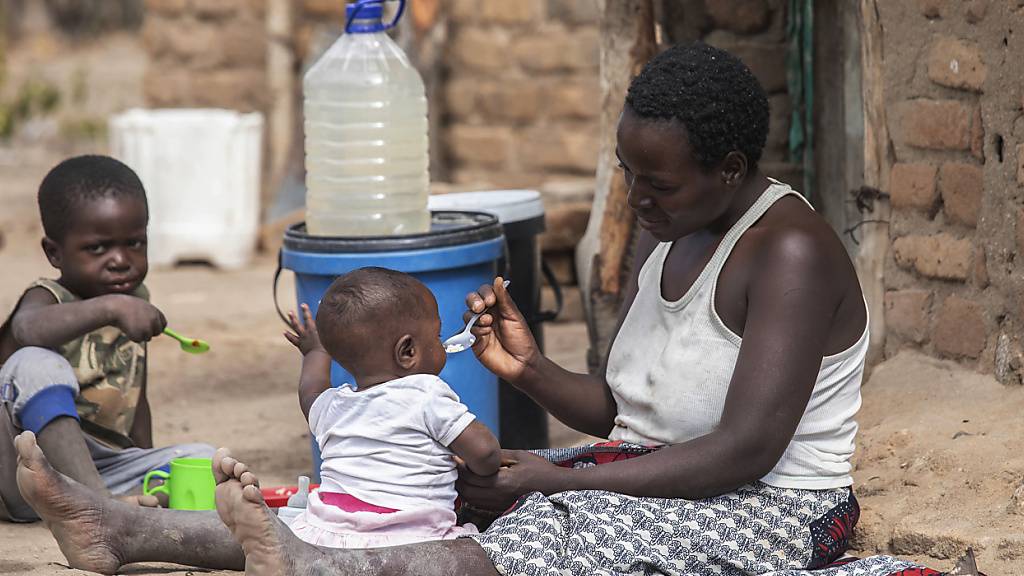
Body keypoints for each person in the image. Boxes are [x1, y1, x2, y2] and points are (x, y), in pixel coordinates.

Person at [13, 44, 948, 576]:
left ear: (731, 172)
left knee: (539, 525)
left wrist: (559, 481)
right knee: (422, 486)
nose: (637, 201)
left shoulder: (789, 249)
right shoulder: (680, 223)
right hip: (665, 469)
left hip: (778, 507)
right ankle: (126, 528)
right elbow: (635, 416)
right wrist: (530, 372)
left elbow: (744, 450)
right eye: (630, 174)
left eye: (654, 182)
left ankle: (308, 566)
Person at [0, 155, 214, 522]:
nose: (120, 259)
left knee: (204, 459)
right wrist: (112, 307)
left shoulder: (134, 303)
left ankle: (101, 501)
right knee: (35, 363)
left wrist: (145, 457)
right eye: (98, 248)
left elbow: (135, 396)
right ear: (54, 252)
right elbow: (25, 330)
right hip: (21, 465)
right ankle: (100, 511)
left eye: (134, 243)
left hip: (94, 468)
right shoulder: (48, 297)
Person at [281, 268, 500, 547]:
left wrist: (315, 351)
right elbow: (486, 454)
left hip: (328, 534)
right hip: (412, 539)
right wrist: (481, 465)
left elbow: (309, 389)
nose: (441, 343)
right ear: (408, 351)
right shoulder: (425, 393)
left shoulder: (331, 406)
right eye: (437, 335)